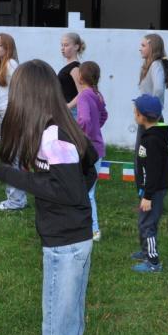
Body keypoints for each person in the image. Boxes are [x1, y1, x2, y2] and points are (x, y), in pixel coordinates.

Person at [0, 59, 98, 335]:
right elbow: (89, 167)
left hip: (66, 244)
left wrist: (17, 177)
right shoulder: (58, 129)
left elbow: (69, 191)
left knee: (57, 325)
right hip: (71, 238)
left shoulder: (55, 135)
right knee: (67, 318)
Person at [130, 94, 168, 273]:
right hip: (149, 188)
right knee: (144, 221)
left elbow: (154, 171)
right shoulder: (151, 134)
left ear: (141, 116)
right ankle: (146, 251)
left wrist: (148, 195)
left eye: (135, 111)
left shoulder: (152, 140)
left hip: (154, 189)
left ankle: (153, 263)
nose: (134, 114)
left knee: (148, 224)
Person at [0, 32, 26, 212]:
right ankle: (17, 198)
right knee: (12, 157)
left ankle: (15, 201)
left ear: (8, 47)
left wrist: (13, 115)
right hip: (5, 114)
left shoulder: (11, 64)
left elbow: (21, 92)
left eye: (0, 45)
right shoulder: (3, 64)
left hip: (10, 115)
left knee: (11, 157)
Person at [76, 61, 108, 241]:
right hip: (98, 148)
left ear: (81, 76)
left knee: (86, 192)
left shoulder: (83, 96)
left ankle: (93, 230)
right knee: (89, 191)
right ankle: (86, 227)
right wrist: (95, 129)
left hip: (87, 150)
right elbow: (104, 115)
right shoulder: (97, 94)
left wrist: (80, 135)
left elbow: (85, 120)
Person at [135, 33, 168, 175]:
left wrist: (150, 110)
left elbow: (159, 89)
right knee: (143, 155)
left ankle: (147, 186)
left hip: (150, 119)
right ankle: (145, 186)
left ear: (152, 48)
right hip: (148, 118)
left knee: (145, 156)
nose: (140, 48)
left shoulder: (156, 65)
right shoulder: (150, 66)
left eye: (143, 45)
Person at [58, 33, 84, 115]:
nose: (62, 48)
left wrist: (68, 106)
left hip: (72, 111)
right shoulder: (70, 67)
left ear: (76, 47)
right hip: (68, 111)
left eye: (66, 45)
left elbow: (82, 92)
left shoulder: (75, 68)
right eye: (62, 45)